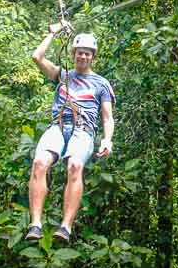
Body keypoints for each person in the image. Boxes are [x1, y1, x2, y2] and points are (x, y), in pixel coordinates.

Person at [25, 22, 115, 242]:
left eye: (87, 54)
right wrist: (53, 33)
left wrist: (107, 140)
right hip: (57, 126)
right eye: (79, 53)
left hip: (83, 130)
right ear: (73, 54)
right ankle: (35, 224)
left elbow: (107, 117)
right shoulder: (62, 75)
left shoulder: (101, 84)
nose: (82, 57)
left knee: (75, 165)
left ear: (92, 57)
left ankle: (65, 227)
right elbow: (37, 57)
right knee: (39, 163)